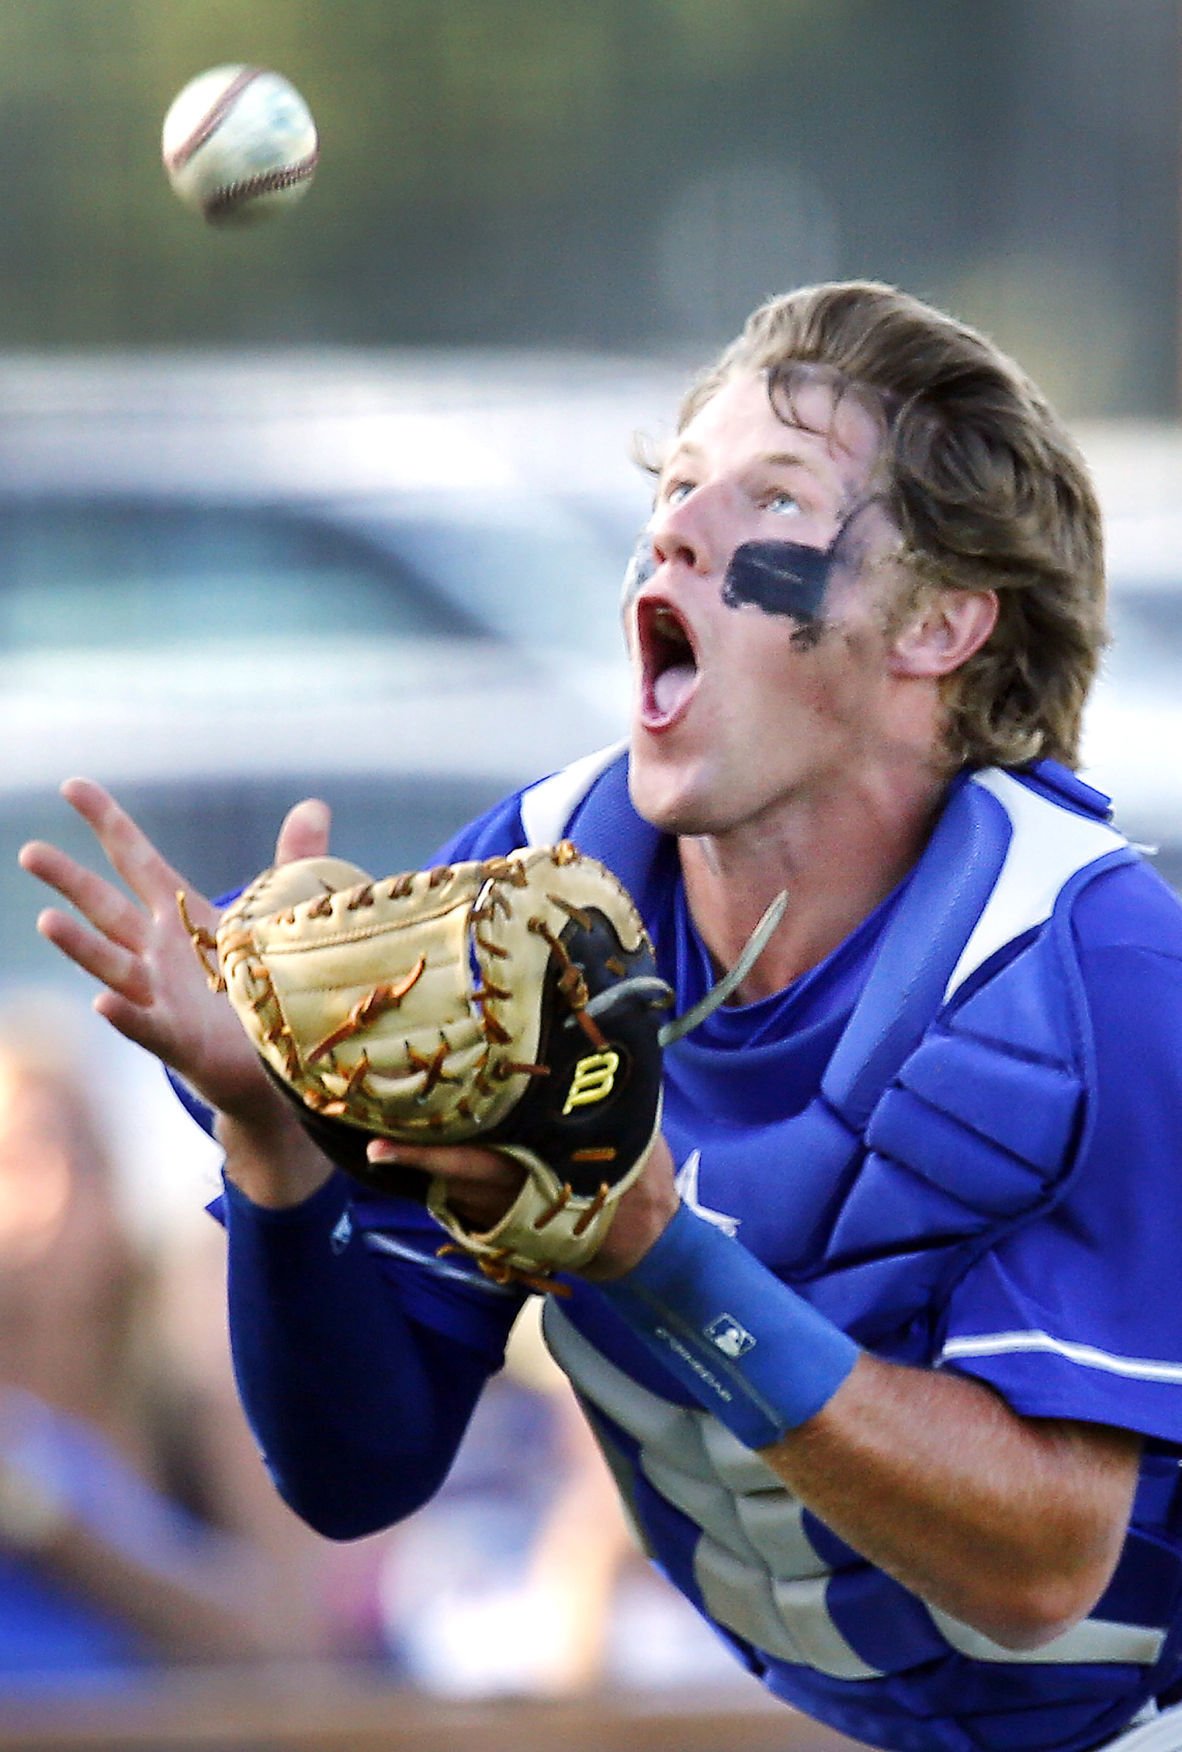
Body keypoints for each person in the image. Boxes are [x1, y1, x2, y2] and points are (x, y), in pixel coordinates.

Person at [19, 278, 1182, 1751]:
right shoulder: (539, 897)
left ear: (941, 624)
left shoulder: (1086, 964)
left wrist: (663, 1266)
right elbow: (356, 1469)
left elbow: (1041, 1570)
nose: (679, 530)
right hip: (787, 1720)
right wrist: (270, 1142)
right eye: (677, 487)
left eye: (772, 500)